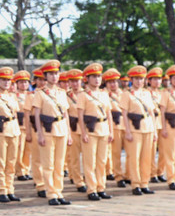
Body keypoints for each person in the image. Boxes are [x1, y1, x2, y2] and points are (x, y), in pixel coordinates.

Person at [32, 60, 73, 205]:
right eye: (51, 74)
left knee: (59, 164)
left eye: (56, 73)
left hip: (61, 129)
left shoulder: (62, 93)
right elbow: (37, 114)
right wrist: (40, 134)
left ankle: (59, 192)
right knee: (48, 164)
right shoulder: (40, 93)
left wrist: (69, 133)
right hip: (48, 131)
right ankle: (51, 194)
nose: (54, 77)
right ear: (45, 76)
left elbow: (66, 114)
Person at [76, 63, 114, 201]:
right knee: (90, 162)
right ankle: (91, 189)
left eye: (98, 76)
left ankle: (101, 187)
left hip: (103, 129)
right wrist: (83, 133)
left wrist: (111, 131)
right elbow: (80, 115)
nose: (97, 79)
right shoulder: (83, 95)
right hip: (90, 130)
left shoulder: (104, 94)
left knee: (102, 161)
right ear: (87, 79)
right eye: (93, 77)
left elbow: (109, 113)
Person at [121, 65, 158, 196]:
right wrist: (127, 131)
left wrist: (154, 131)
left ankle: (144, 183)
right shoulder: (127, 94)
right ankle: (135, 184)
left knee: (146, 158)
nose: (138, 81)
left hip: (147, 127)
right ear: (131, 79)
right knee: (134, 157)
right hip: (134, 128)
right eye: (136, 79)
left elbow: (152, 113)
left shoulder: (147, 93)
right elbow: (124, 113)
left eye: (141, 78)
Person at [0, 67, 22, 202]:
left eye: (8, 80)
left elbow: (15, 114)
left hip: (13, 129)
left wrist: (18, 130)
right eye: (3, 80)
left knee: (11, 162)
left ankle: (10, 188)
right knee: (1, 162)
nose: (6, 82)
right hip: (1, 130)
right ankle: (2, 190)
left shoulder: (12, 96)